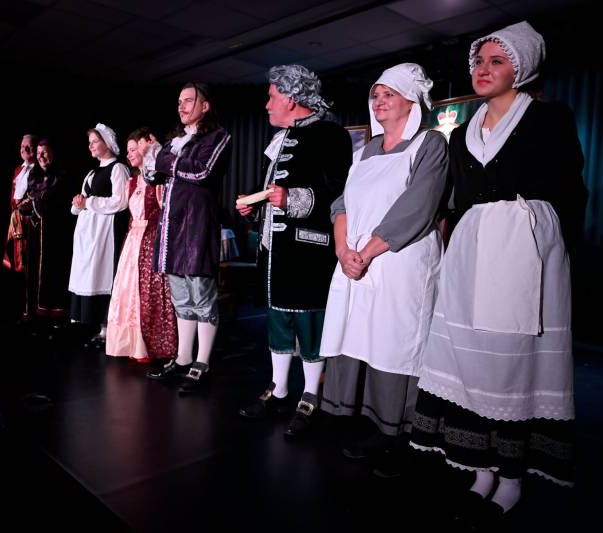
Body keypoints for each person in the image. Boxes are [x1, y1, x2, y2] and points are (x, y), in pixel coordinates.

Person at [408, 21, 587, 527]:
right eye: (478, 62)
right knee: (472, 360)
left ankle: (511, 477)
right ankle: (481, 467)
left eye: (496, 61)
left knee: (513, 363)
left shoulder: (549, 118)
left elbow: (571, 192)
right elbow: (459, 200)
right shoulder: (465, 129)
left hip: (525, 253)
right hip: (472, 252)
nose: (482, 70)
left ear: (521, 68)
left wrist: (551, 250)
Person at [318, 63, 448, 474]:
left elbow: (418, 207)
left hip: (398, 261)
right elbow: (341, 205)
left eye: (389, 94)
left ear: (412, 101)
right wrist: (343, 251)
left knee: (395, 344)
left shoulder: (429, 144)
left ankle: (400, 436)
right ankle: (367, 422)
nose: (379, 101)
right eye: (375, 94)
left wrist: (368, 252)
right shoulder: (365, 151)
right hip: (356, 262)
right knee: (361, 340)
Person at [236, 65, 352, 437]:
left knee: (309, 323)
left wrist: (293, 199)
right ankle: (279, 388)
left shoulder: (331, 134)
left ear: (290, 98)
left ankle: (310, 395)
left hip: (309, 250)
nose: (267, 104)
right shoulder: (281, 138)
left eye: (272, 96)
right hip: (275, 251)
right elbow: (274, 191)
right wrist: (255, 203)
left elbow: (339, 191)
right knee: (278, 321)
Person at [143, 83, 232, 393]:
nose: (181, 106)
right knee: (181, 296)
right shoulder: (175, 140)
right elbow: (151, 175)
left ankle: (202, 362)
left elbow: (201, 171)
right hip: (172, 227)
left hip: (197, 226)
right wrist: (153, 157)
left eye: (188, 101)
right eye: (179, 101)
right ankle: (183, 358)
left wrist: (164, 160)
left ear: (204, 106)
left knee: (202, 295)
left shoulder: (218, 137)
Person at [106, 128, 178, 361]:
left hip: (151, 238)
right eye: (128, 151)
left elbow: (166, 210)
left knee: (148, 292)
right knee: (127, 292)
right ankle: (128, 344)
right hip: (132, 241)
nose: (129, 154)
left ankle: (148, 345)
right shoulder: (130, 182)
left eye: (133, 149)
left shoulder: (157, 181)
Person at [68, 123, 130, 348]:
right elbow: (82, 200)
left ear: (107, 143)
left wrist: (89, 202)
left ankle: (107, 328)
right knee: (88, 274)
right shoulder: (92, 172)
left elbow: (120, 201)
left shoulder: (118, 168)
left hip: (105, 231)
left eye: (95, 141)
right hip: (88, 232)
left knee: (103, 274)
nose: (91, 146)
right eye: (90, 142)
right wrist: (79, 202)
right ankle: (97, 326)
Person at [21, 138, 75, 328]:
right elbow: (31, 197)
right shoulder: (34, 174)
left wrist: (36, 200)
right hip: (36, 230)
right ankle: (35, 314)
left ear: (53, 153)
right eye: (38, 153)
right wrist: (30, 203)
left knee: (53, 270)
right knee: (34, 269)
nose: (41, 156)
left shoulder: (62, 174)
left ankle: (54, 315)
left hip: (56, 232)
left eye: (44, 152)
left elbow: (55, 201)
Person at [2, 133, 38, 321]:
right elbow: (13, 196)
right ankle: (17, 309)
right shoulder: (18, 169)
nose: (25, 149)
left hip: (30, 222)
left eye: (29, 146)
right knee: (17, 266)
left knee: (30, 265)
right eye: (23, 146)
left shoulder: (39, 168)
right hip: (16, 220)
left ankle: (31, 311)